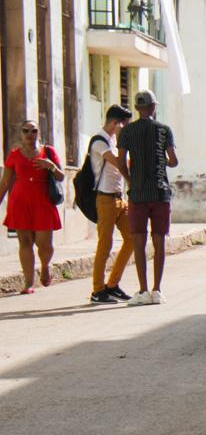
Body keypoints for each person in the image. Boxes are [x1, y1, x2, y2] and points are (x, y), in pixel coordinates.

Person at [117, 90, 178, 307]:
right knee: (159, 241)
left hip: (138, 194)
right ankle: (157, 290)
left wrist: (130, 180)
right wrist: (164, 163)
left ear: (137, 108)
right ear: (153, 107)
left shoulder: (127, 132)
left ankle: (142, 289)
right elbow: (173, 160)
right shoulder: (164, 130)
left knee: (138, 241)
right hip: (160, 192)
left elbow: (121, 162)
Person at [0, 120, 65, 294]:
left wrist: (50, 166)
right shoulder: (14, 154)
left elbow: (61, 176)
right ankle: (28, 283)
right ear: (20, 133)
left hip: (42, 202)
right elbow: (5, 181)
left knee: (45, 244)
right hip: (20, 202)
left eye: (33, 130)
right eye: (26, 131)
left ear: (38, 133)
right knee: (25, 242)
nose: (30, 134)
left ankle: (45, 266)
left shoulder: (47, 152)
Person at [89, 105, 135, 304]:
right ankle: (98, 290)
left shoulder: (114, 140)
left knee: (132, 238)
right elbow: (119, 163)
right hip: (105, 198)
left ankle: (113, 284)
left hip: (119, 198)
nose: (124, 129)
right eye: (124, 125)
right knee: (105, 245)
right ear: (116, 123)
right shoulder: (99, 141)